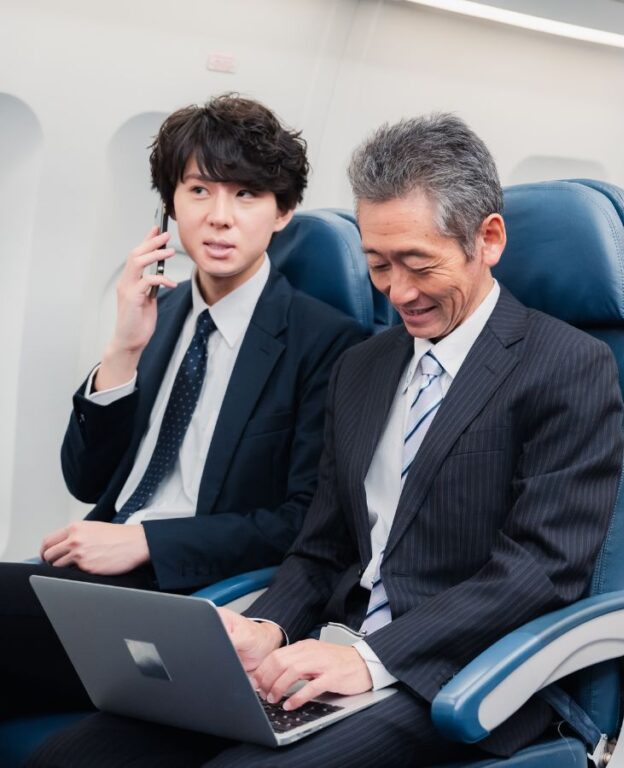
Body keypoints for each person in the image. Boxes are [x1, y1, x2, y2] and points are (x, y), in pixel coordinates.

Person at [29, 113, 624, 767]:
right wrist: (268, 626)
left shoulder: (566, 365)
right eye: (377, 265)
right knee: (77, 754)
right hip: (321, 647)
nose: (398, 292)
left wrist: (368, 659)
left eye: (418, 265)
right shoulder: (364, 368)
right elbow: (320, 547)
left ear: (487, 239)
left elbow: (539, 571)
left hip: (452, 673)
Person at [1, 94, 365, 717]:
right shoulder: (160, 313)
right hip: (103, 569)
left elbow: (303, 521)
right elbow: (84, 478)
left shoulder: (327, 344)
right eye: (199, 191)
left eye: (246, 194)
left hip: (193, 585)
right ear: (171, 204)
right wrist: (122, 349)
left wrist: (147, 541)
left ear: (284, 212)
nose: (219, 218)